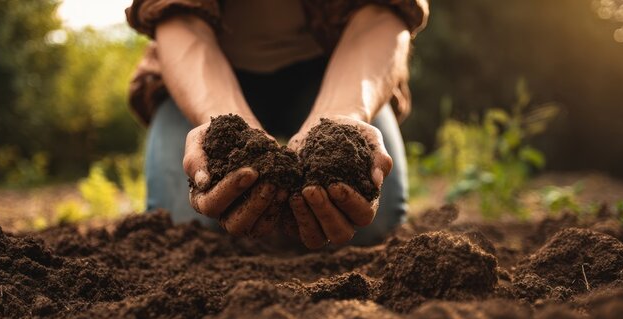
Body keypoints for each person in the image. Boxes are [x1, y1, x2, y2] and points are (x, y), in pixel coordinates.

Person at [125, 0, 428, 248]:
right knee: (181, 230)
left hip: (332, 68)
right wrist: (226, 127)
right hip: (207, 72)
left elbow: (380, 15)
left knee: (374, 225)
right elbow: (181, 19)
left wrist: (342, 117)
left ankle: (286, 225)